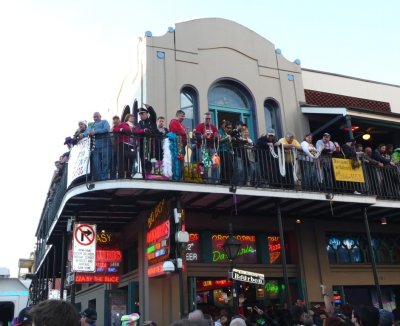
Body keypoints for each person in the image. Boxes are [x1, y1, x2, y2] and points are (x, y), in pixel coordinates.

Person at [83, 112, 112, 181]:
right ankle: (98, 178)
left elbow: (106, 129)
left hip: (106, 145)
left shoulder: (104, 122)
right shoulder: (91, 125)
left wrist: (95, 132)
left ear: (100, 116)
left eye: (96, 116)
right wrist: (82, 134)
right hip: (95, 147)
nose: (95, 118)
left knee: (106, 162)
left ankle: (104, 177)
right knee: (96, 163)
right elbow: (86, 132)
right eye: (94, 117)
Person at [195, 112, 220, 183]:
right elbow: (197, 136)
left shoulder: (213, 127)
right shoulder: (199, 126)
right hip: (203, 147)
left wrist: (217, 136)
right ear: (203, 119)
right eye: (206, 119)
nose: (208, 120)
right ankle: (204, 179)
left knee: (215, 163)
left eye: (209, 119)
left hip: (212, 147)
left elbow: (216, 135)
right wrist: (202, 136)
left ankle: (215, 180)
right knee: (205, 164)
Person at [168, 110, 188, 181]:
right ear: (177, 115)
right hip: (176, 146)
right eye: (182, 116)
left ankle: (180, 177)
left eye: (184, 116)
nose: (183, 118)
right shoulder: (173, 122)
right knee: (176, 162)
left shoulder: (182, 125)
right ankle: (175, 178)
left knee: (181, 163)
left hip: (182, 146)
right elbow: (174, 131)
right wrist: (183, 133)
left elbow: (184, 134)